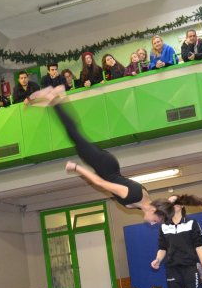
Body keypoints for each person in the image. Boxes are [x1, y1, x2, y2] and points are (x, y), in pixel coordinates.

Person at [30, 85, 181, 223]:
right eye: (156, 220)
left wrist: (176, 201)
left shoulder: (144, 202)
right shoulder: (132, 196)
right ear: (153, 210)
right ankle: (53, 97)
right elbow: (100, 183)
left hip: (108, 165)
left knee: (77, 136)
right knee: (75, 135)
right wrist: (76, 168)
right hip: (104, 166)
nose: (153, 223)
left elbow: (171, 201)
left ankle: (58, 99)